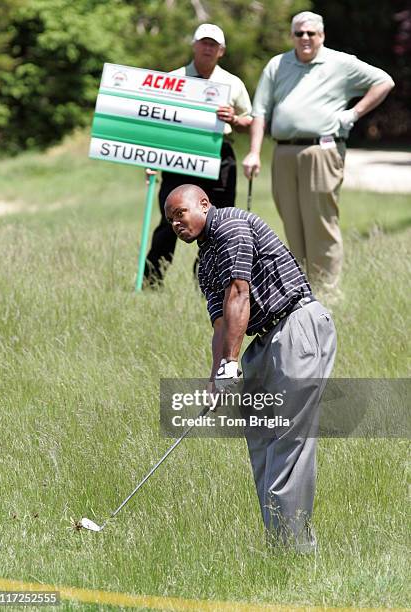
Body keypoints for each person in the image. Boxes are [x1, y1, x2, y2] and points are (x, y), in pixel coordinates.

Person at [164, 183, 337, 552]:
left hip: (296, 325)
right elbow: (220, 326)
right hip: (260, 342)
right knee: (261, 439)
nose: (176, 224)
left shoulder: (232, 226)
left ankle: (295, 552)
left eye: (181, 213)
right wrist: (216, 377)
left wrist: (229, 362)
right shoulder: (205, 263)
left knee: (288, 440)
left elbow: (239, 293)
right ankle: (279, 542)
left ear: (204, 205)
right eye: (170, 220)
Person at [243, 11, 395, 289]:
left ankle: (327, 292)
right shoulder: (278, 65)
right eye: (299, 33)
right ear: (292, 36)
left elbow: (384, 81)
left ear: (321, 36)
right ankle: (300, 289)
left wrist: (353, 114)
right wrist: (254, 151)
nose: (305, 38)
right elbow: (260, 111)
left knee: (320, 225)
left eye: (311, 33)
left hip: (322, 151)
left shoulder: (340, 62)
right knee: (292, 222)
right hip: (284, 152)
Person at [144, 23, 252, 285]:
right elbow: (157, 124)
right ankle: (151, 282)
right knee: (171, 219)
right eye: (203, 42)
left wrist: (234, 119)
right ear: (194, 45)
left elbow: (251, 120)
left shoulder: (232, 83)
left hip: (219, 155)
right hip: (180, 156)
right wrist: (149, 159)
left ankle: (208, 283)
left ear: (221, 51)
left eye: (213, 44)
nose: (207, 48)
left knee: (219, 220)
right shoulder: (172, 79)